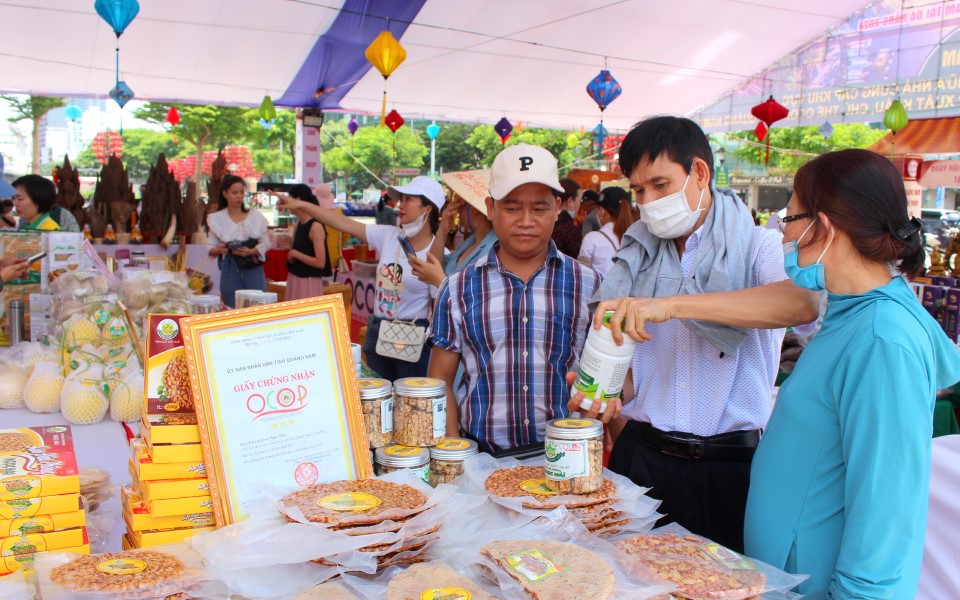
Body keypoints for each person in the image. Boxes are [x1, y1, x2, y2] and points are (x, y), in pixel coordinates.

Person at [583, 116, 819, 552]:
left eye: (660, 184)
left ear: (700, 173)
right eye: (638, 191)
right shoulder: (634, 258)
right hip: (642, 458)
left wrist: (673, 305)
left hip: (731, 468)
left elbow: (802, 305)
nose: (648, 202)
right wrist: (603, 391)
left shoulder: (758, 248)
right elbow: (628, 379)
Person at [744, 149, 960, 598]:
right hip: (788, 576)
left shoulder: (883, 339)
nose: (783, 231)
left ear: (821, 226)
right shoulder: (849, 313)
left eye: (789, 216)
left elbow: (887, 507)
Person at [429, 144, 602, 454]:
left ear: (557, 206)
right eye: (511, 208)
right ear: (490, 208)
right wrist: (457, 460)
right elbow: (440, 381)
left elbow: (607, 382)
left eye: (539, 208)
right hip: (483, 459)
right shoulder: (458, 288)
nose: (525, 220)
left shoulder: (589, 285)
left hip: (568, 457)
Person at [276, 176, 445, 380]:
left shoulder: (438, 251)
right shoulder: (389, 235)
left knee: (407, 406)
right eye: (401, 198)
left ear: (428, 208)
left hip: (413, 337)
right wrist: (302, 205)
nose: (400, 205)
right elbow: (341, 222)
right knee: (377, 403)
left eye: (409, 199)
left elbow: (438, 307)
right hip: (379, 331)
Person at [409, 170, 498, 288]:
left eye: (460, 202)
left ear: (475, 208)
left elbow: (476, 297)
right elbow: (433, 264)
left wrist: (439, 281)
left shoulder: (494, 248)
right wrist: (442, 232)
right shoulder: (472, 241)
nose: (456, 208)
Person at [206, 174, 270, 308]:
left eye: (241, 192)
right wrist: (219, 249)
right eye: (234, 192)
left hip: (252, 265)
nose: (239, 196)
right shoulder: (218, 218)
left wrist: (252, 250)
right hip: (230, 266)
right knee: (232, 304)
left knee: (256, 303)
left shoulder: (255, 216)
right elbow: (210, 246)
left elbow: (266, 242)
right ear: (225, 193)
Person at [284, 184, 331, 301]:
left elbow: (320, 262)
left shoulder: (315, 227)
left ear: (297, 200)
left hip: (308, 280)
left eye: (289, 199)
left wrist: (296, 254)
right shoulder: (298, 225)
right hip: (295, 276)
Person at [577, 187, 634, 277]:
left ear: (602, 212)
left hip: (600, 290)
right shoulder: (634, 238)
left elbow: (582, 276)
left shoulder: (591, 238)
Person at [551, 178, 582, 258]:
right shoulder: (569, 228)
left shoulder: (544, 220)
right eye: (579, 200)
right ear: (570, 201)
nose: (580, 205)